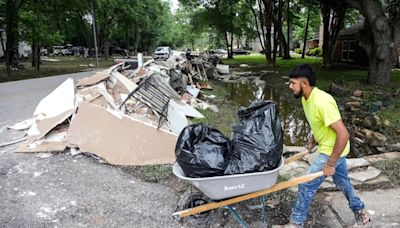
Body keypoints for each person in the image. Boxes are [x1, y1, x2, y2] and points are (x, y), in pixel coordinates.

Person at [279, 64, 371, 227]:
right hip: (333, 148)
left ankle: (296, 223)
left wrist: (330, 164)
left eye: (293, 83)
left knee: (306, 185)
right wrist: (315, 137)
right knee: (343, 184)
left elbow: (343, 134)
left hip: (332, 150)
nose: (290, 86)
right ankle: (361, 212)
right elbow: (321, 123)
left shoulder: (323, 102)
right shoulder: (306, 98)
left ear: (304, 84)